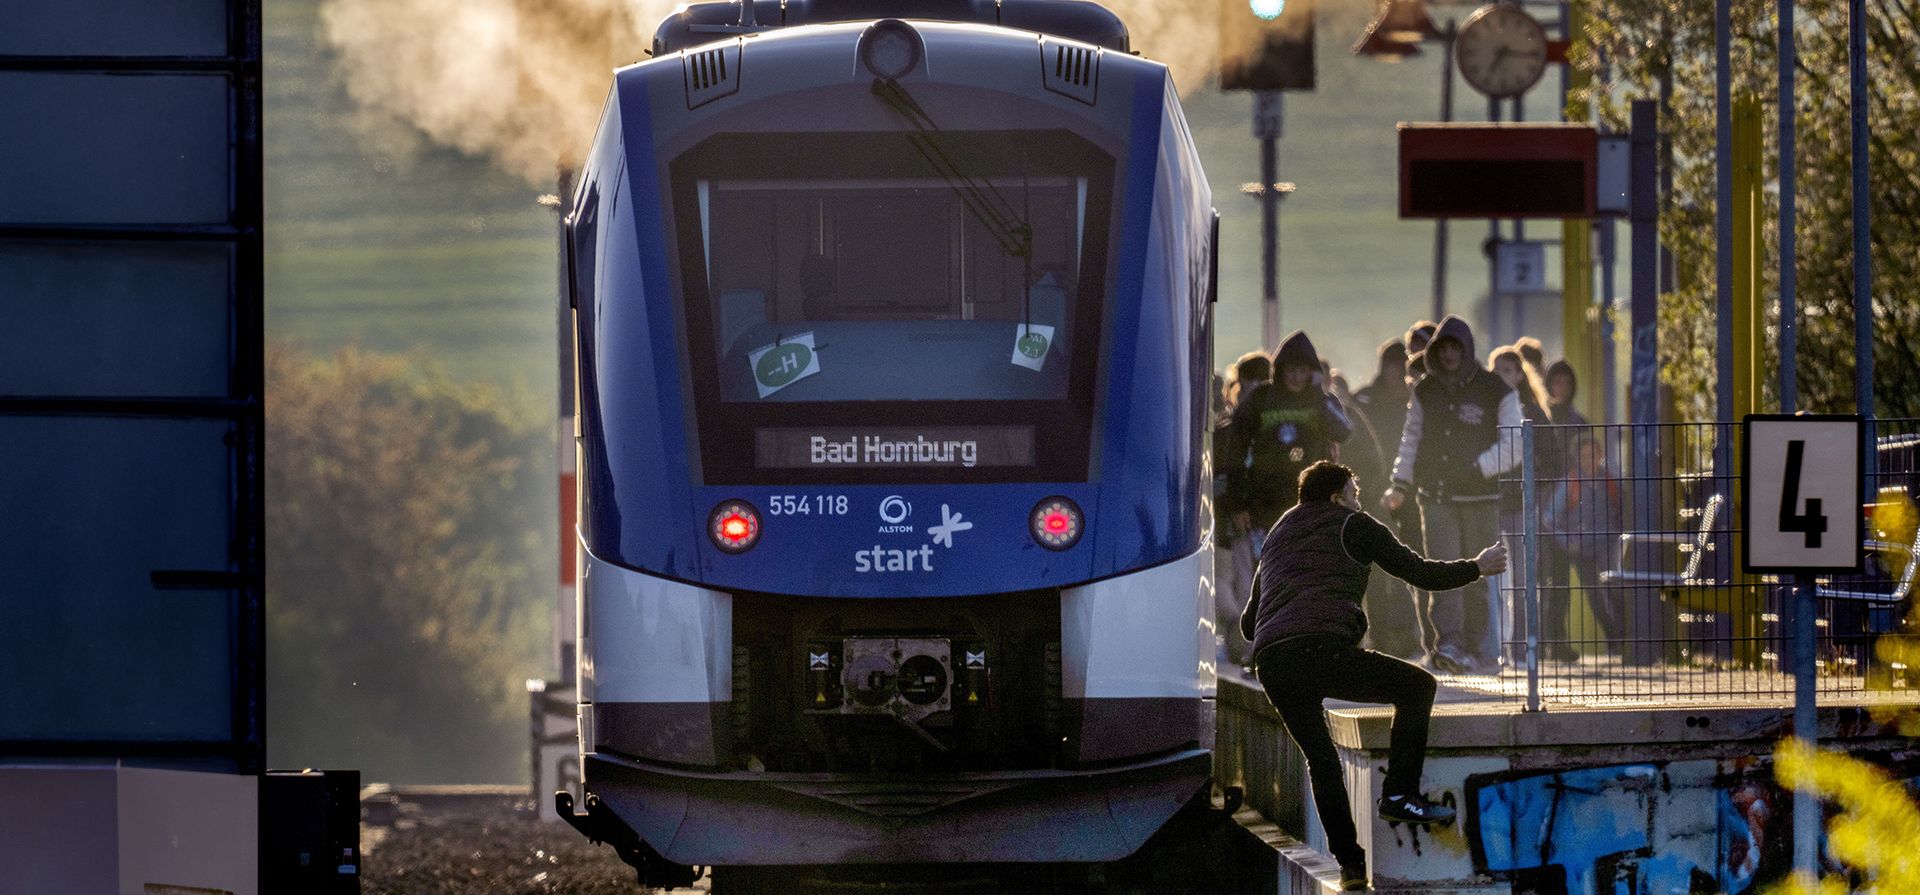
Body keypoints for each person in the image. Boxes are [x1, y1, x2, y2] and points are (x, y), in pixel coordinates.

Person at [1243, 461, 1508, 891]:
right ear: (1336, 497)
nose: (1358, 499)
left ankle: (1349, 868)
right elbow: (1419, 572)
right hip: (1320, 649)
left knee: (1321, 759)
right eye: (1354, 491)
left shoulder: (1278, 533)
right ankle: (1400, 794)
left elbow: (1248, 624)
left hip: (1272, 660)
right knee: (1417, 686)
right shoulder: (1354, 525)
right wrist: (1477, 566)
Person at [1384, 316, 1522, 674]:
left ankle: (1478, 645)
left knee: (1480, 576)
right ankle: (1447, 644)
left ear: (1467, 349)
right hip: (1435, 496)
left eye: (1454, 347)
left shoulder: (1497, 390)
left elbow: (1515, 444)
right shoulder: (1425, 390)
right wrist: (1400, 483)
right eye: (1442, 348)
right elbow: (1410, 437)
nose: (1448, 355)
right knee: (1441, 571)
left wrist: (1479, 468)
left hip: (1480, 499)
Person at [1223, 330, 1351, 544]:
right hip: (1265, 501)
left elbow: (1344, 431)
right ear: (1280, 369)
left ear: (1311, 372)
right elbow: (1236, 451)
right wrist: (1237, 504)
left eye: (1303, 371)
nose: (1296, 377)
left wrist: (1318, 394)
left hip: (1313, 500)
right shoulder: (1260, 399)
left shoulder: (1321, 401)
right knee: (1270, 567)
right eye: (1291, 370)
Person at [1215, 351, 1270, 667]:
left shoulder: (1233, 427)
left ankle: (1249, 645)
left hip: (1255, 517)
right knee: (1244, 582)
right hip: (1238, 523)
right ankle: (1245, 646)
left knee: (1250, 582)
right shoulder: (1228, 429)